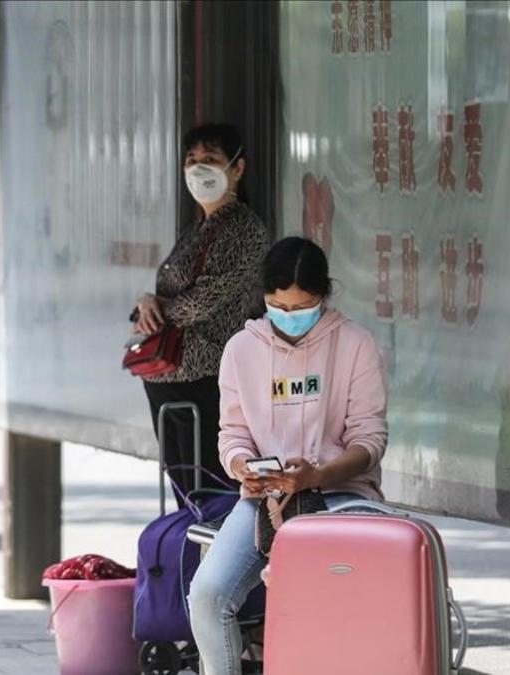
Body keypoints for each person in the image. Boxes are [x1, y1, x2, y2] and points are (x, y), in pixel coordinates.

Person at [187, 237, 389, 675]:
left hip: (341, 495)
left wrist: (317, 475)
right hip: (263, 500)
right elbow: (233, 435)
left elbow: (369, 442)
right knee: (207, 594)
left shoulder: (355, 345)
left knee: (314, 593)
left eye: (303, 308)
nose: (291, 319)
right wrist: (243, 466)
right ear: (264, 298)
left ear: (323, 297)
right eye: (280, 308)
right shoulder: (241, 350)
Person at [133, 123, 269, 496]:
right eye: (191, 160)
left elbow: (207, 296)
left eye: (210, 159)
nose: (198, 168)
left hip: (207, 376)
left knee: (210, 486)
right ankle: (192, 554)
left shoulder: (242, 228)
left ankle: (212, 555)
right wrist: (147, 303)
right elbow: (174, 292)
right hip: (169, 376)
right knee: (183, 487)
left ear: (237, 168)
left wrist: (156, 311)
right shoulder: (197, 227)